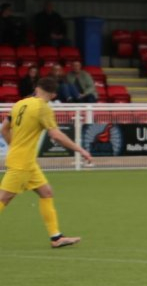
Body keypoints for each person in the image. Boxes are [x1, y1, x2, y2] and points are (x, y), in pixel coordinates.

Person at [0, 73, 93, 248]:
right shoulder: (43, 108)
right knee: (3, 198)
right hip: (22, 163)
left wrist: (16, 147)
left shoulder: (20, 103)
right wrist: (81, 150)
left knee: (46, 192)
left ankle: (56, 237)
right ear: (54, 95)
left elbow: (4, 129)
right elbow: (56, 135)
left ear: (36, 88)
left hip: (26, 161)